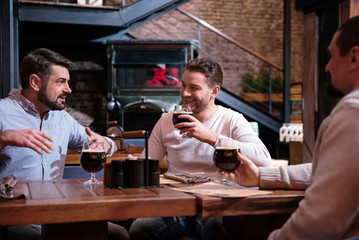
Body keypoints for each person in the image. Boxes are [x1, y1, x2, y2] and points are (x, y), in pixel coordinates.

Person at [224, 15, 359, 240]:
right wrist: (261, 176)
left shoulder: (352, 112)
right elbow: (327, 172)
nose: (327, 66)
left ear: (354, 58)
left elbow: (319, 224)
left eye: (332, 56)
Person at [129, 58, 272, 240]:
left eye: (194, 88)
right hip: (175, 204)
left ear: (214, 91)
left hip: (214, 203)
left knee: (217, 228)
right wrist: (135, 165)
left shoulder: (232, 119)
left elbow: (264, 158)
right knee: (140, 228)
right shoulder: (166, 120)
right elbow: (146, 163)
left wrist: (211, 137)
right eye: (183, 85)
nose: (185, 93)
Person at [0, 48, 129, 240]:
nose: (68, 89)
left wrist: (105, 143)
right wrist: (4, 139)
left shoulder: (62, 118)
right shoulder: (3, 111)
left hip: (57, 213)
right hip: (13, 216)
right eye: (61, 82)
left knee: (118, 235)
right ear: (36, 82)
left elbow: (98, 142)